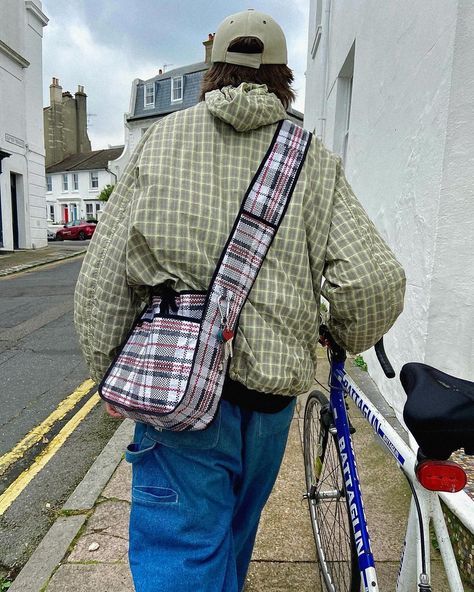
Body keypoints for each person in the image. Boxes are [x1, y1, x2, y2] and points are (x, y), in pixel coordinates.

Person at [74, 9, 405, 592]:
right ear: (284, 77)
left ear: (212, 72)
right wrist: (336, 337)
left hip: (178, 395)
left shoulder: (161, 143)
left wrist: (109, 377)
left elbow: (102, 283)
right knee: (232, 539)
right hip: (270, 402)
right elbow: (375, 281)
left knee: (184, 550)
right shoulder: (311, 158)